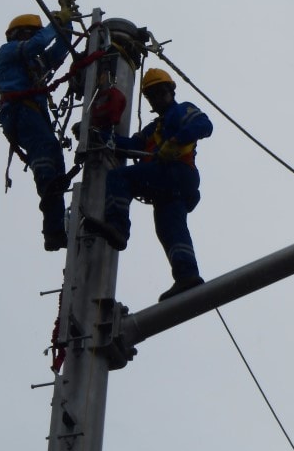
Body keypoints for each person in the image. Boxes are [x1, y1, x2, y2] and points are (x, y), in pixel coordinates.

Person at [84, 68, 213, 302]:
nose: (157, 98)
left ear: (171, 91)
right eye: (152, 95)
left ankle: (118, 227)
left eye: (160, 92)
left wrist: (177, 140)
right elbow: (131, 144)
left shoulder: (182, 110)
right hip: (167, 186)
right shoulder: (152, 130)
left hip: (177, 173)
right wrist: (96, 136)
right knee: (169, 229)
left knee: (120, 177)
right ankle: (187, 275)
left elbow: (204, 125)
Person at [0, 11, 74, 251]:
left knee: (55, 164)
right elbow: (38, 43)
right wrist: (53, 24)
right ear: (19, 34)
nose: (36, 37)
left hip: (32, 115)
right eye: (32, 32)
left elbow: (61, 48)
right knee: (46, 158)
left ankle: (54, 230)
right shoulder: (8, 51)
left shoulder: (33, 62)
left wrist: (66, 21)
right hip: (20, 112)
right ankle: (50, 213)